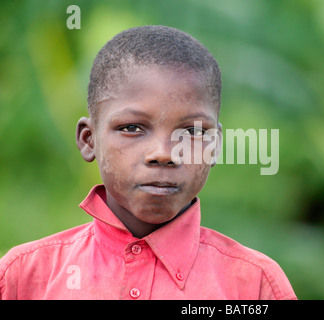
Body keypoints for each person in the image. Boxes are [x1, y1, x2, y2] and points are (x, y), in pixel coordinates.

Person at [0, 25, 297, 300]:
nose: (164, 153)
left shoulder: (253, 284)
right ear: (89, 140)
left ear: (214, 147)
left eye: (192, 132)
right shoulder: (23, 276)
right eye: (132, 128)